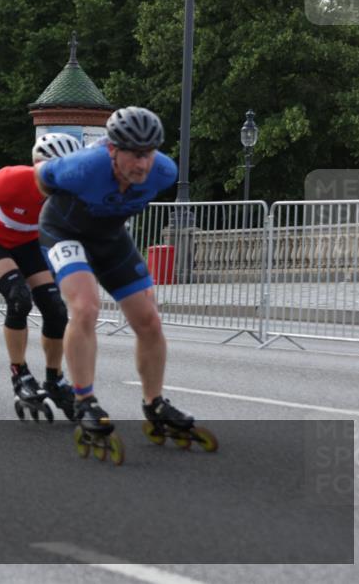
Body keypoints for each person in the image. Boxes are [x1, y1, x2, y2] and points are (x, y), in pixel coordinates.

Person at [37, 106, 217, 463]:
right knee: (86, 307)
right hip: (64, 230)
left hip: (109, 238)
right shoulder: (82, 167)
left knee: (149, 319)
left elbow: (148, 171)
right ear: (112, 150)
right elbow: (41, 175)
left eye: (148, 154)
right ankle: (84, 400)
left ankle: (154, 404)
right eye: (135, 154)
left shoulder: (164, 172)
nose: (143, 164)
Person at [0, 132, 82, 421]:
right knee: (19, 298)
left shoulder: (73, 192)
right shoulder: (13, 179)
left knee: (55, 309)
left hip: (27, 242)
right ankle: (20, 374)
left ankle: (54, 378)